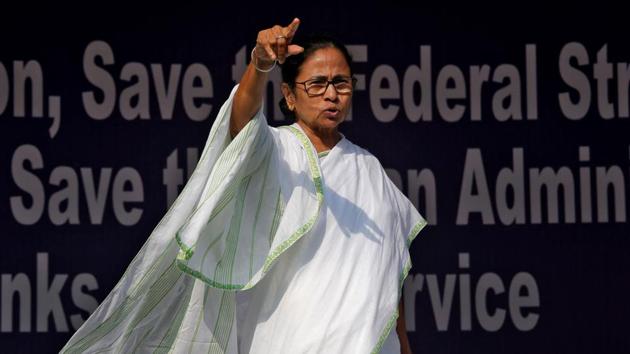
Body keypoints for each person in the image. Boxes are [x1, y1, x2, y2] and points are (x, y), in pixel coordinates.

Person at [61, 18, 425, 354]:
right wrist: (260, 63)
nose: (331, 94)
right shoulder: (276, 149)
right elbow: (242, 119)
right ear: (289, 95)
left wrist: (403, 343)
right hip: (288, 339)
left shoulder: (370, 170)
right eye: (317, 83)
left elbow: (389, 272)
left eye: (341, 83)